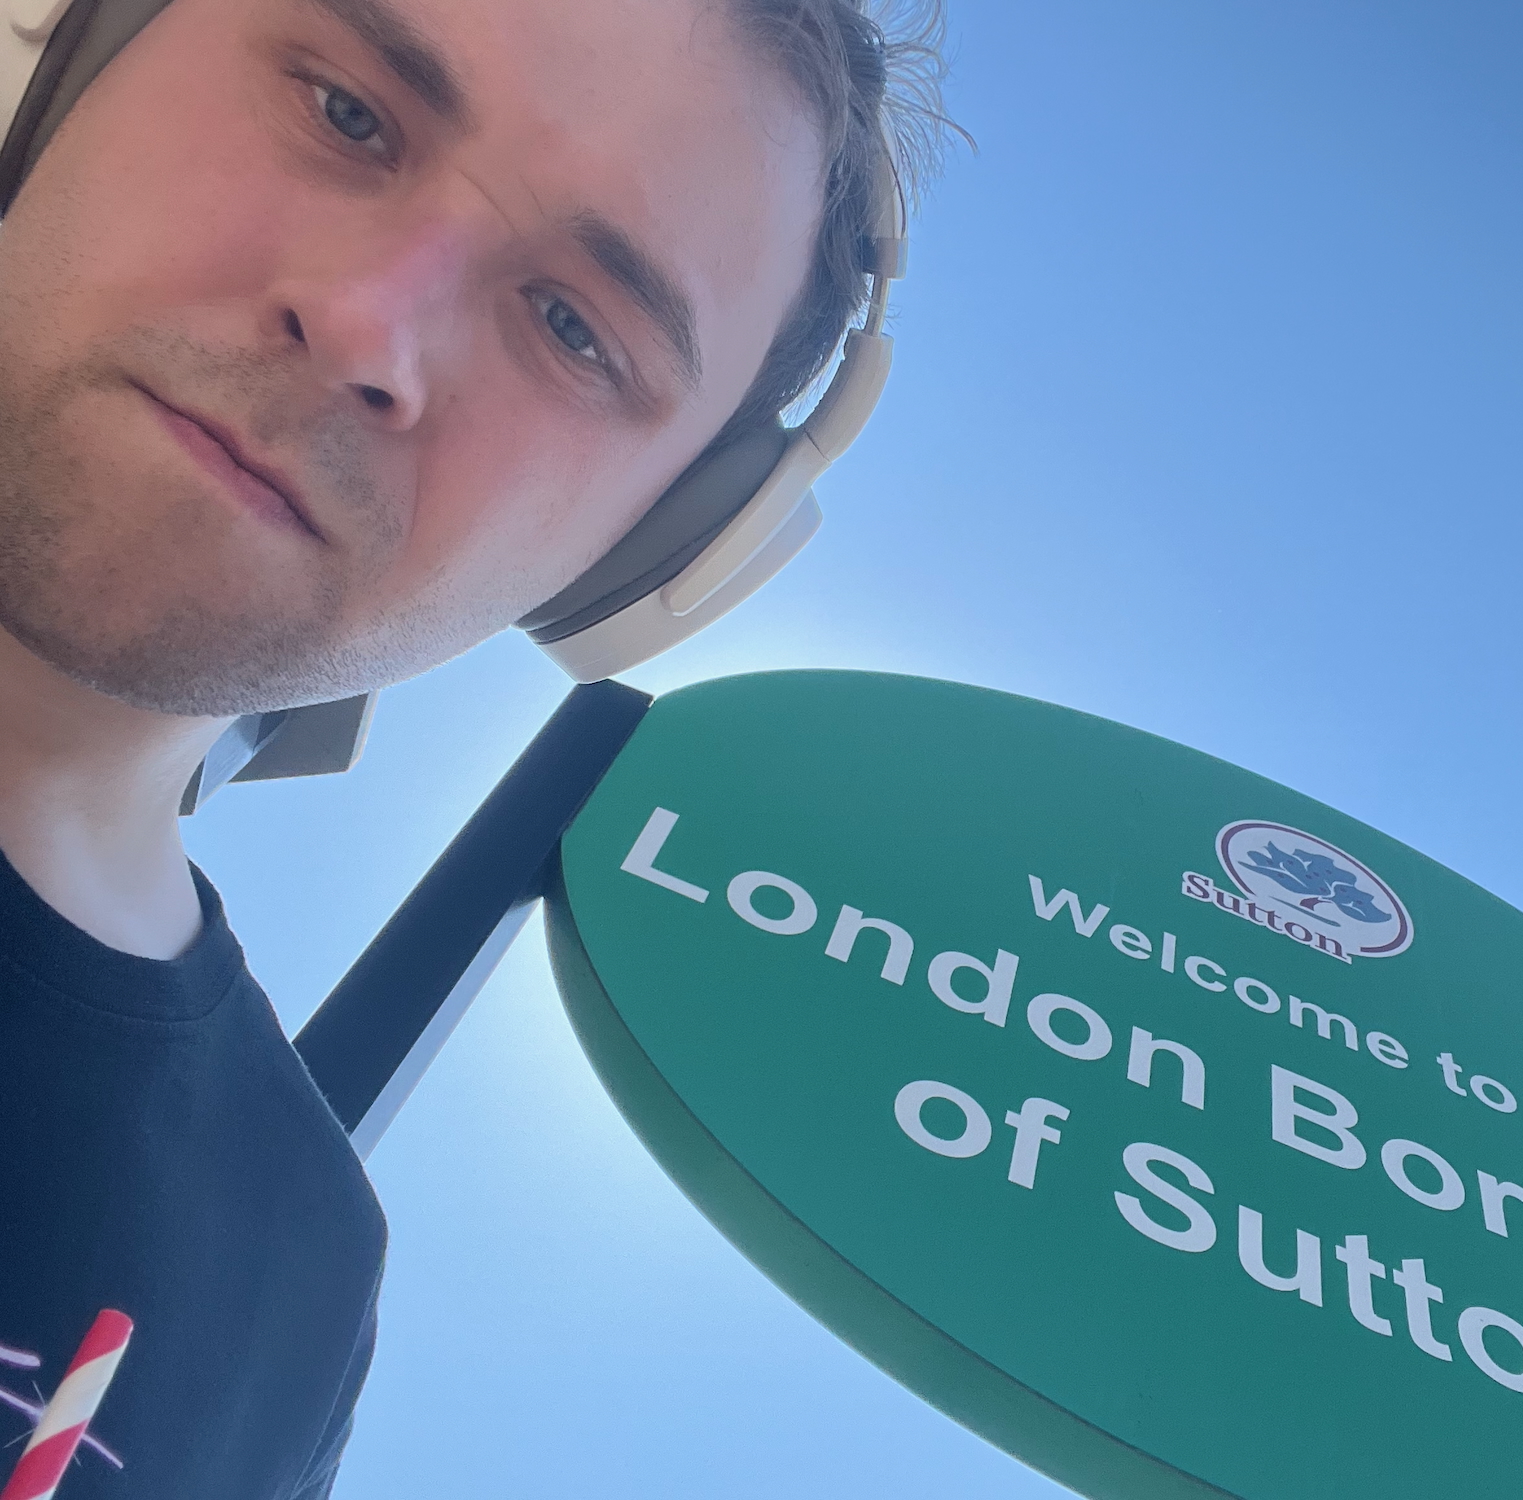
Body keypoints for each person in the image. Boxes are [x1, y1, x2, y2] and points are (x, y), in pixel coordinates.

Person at [0, 0, 950, 1492]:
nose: (373, 325)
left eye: (577, 328)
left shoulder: (291, 1274)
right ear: (70, 56)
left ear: (641, 556)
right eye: (347, 111)